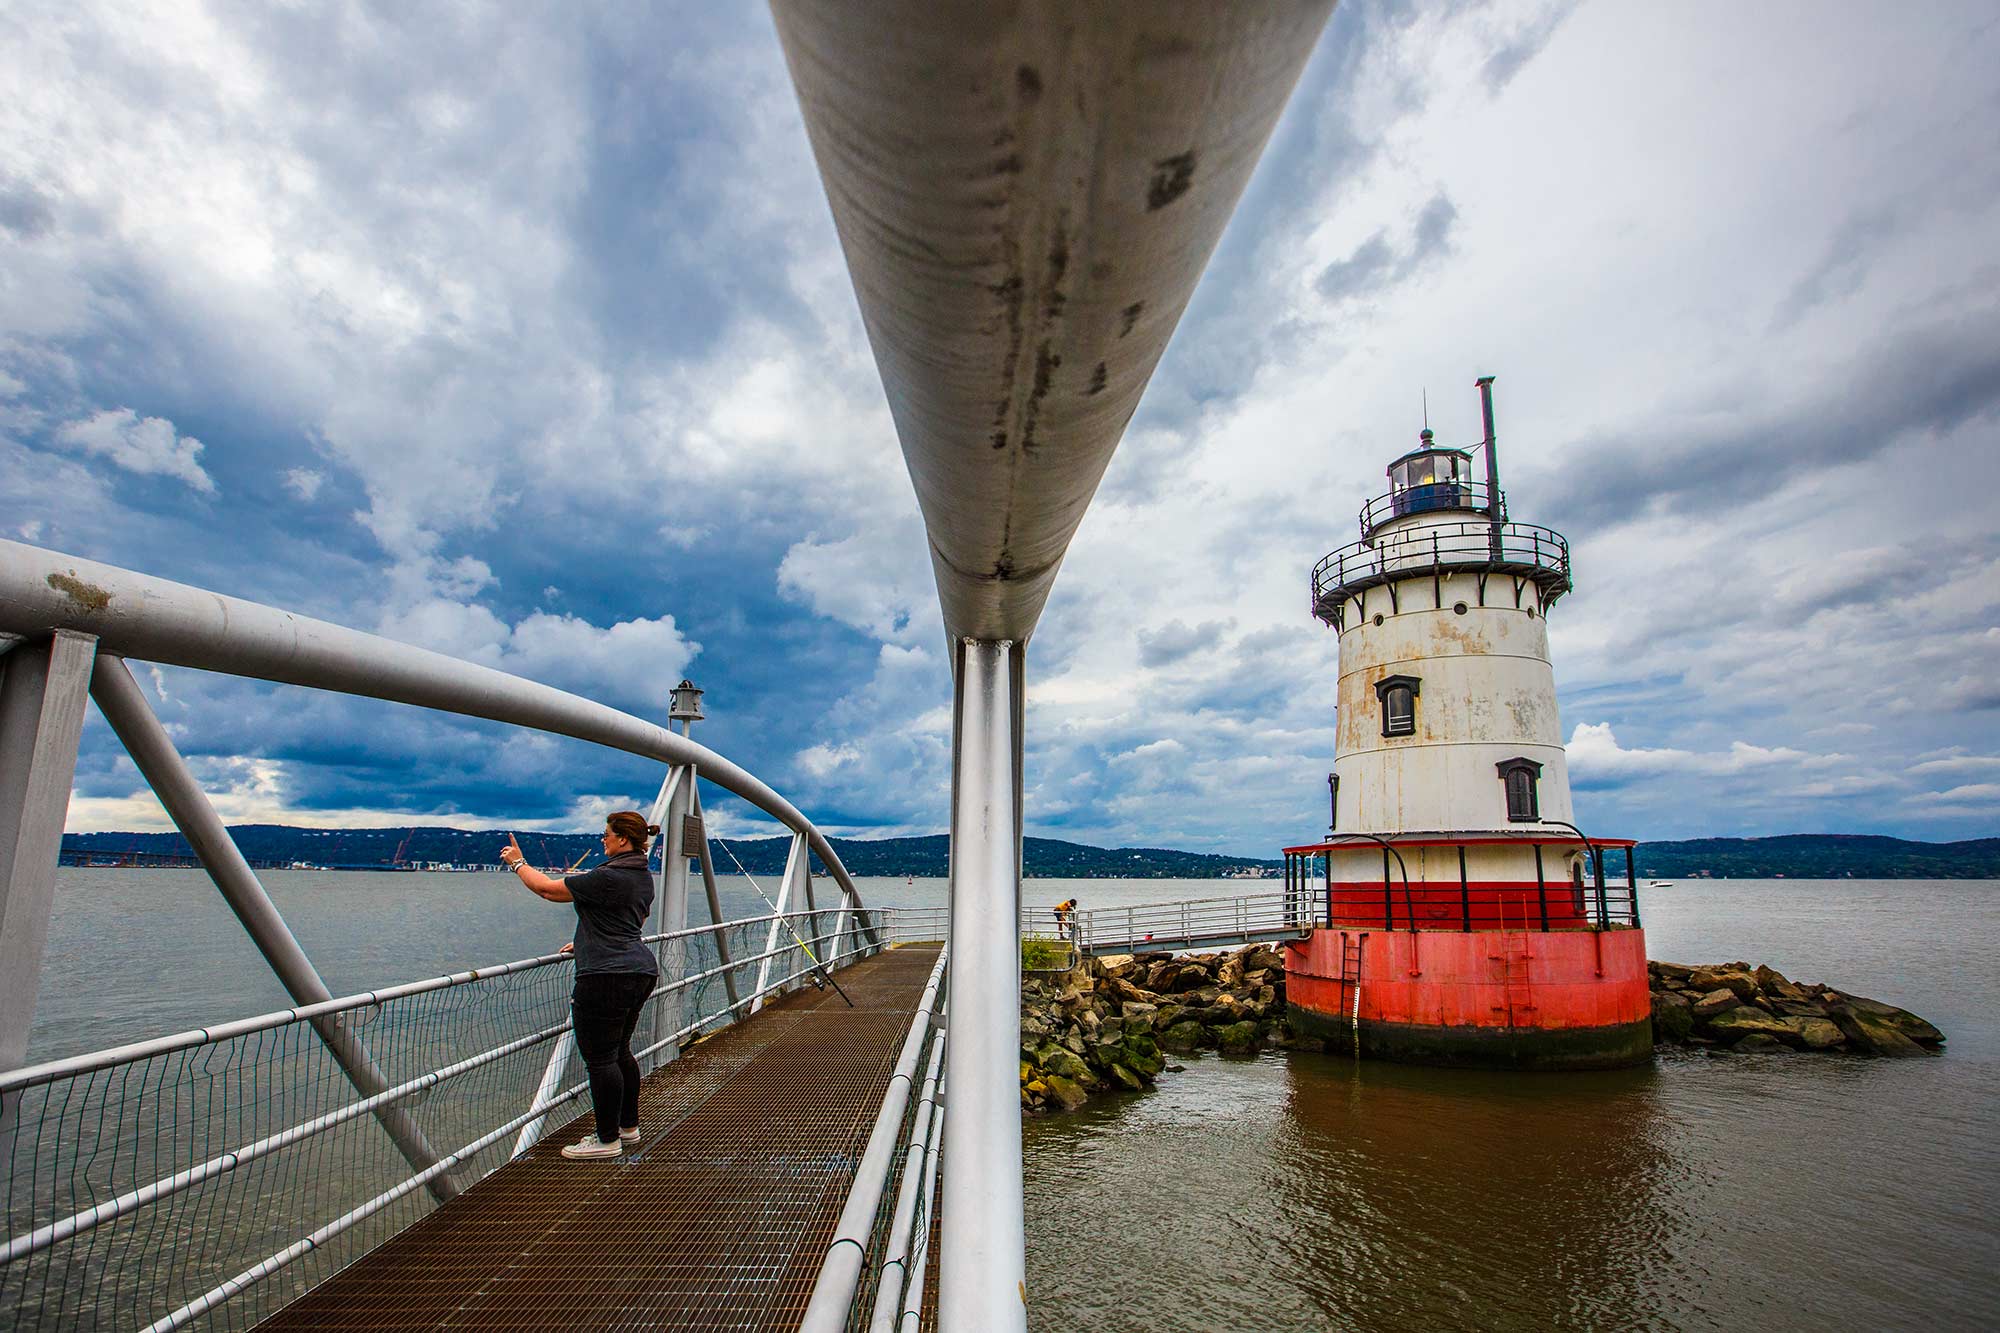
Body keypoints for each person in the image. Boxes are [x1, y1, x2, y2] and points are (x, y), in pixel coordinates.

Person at [501, 812, 660, 1161]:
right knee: (620, 1052)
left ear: (622, 839)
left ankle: (606, 1140)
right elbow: (631, 919)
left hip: (605, 975)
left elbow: (546, 889)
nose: (602, 840)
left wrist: (518, 863)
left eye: (606, 834)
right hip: (640, 969)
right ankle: (627, 1128)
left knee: (601, 1059)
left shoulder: (608, 875)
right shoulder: (643, 877)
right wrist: (587, 939)